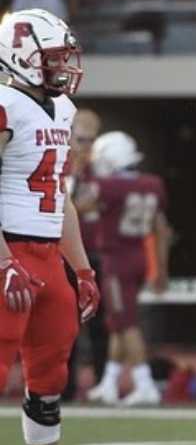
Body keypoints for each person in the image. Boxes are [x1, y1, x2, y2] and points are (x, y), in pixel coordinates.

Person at [0, 9, 105, 445]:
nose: (62, 67)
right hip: (9, 253)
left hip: (44, 256)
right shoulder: (3, 104)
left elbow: (59, 197)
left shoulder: (61, 109)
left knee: (49, 377)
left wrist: (81, 270)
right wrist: (3, 262)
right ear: (20, 55)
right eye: (53, 58)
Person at [82, 132, 170, 407]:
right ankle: (109, 383)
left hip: (116, 259)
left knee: (127, 323)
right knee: (118, 323)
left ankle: (145, 385)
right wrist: (162, 269)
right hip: (139, 257)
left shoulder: (107, 186)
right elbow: (161, 229)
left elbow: (78, 207)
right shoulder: (152, 184)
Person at [64, 110, 107, 402]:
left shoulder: (101, 168)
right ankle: (64, 386)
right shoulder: (63, 167)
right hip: (66, 256)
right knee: (67, 323)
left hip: (96, 253)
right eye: (81, 139)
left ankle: (102, 383)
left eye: (91, 140)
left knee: (101, 324)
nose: (86, 146)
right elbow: (68, 208)